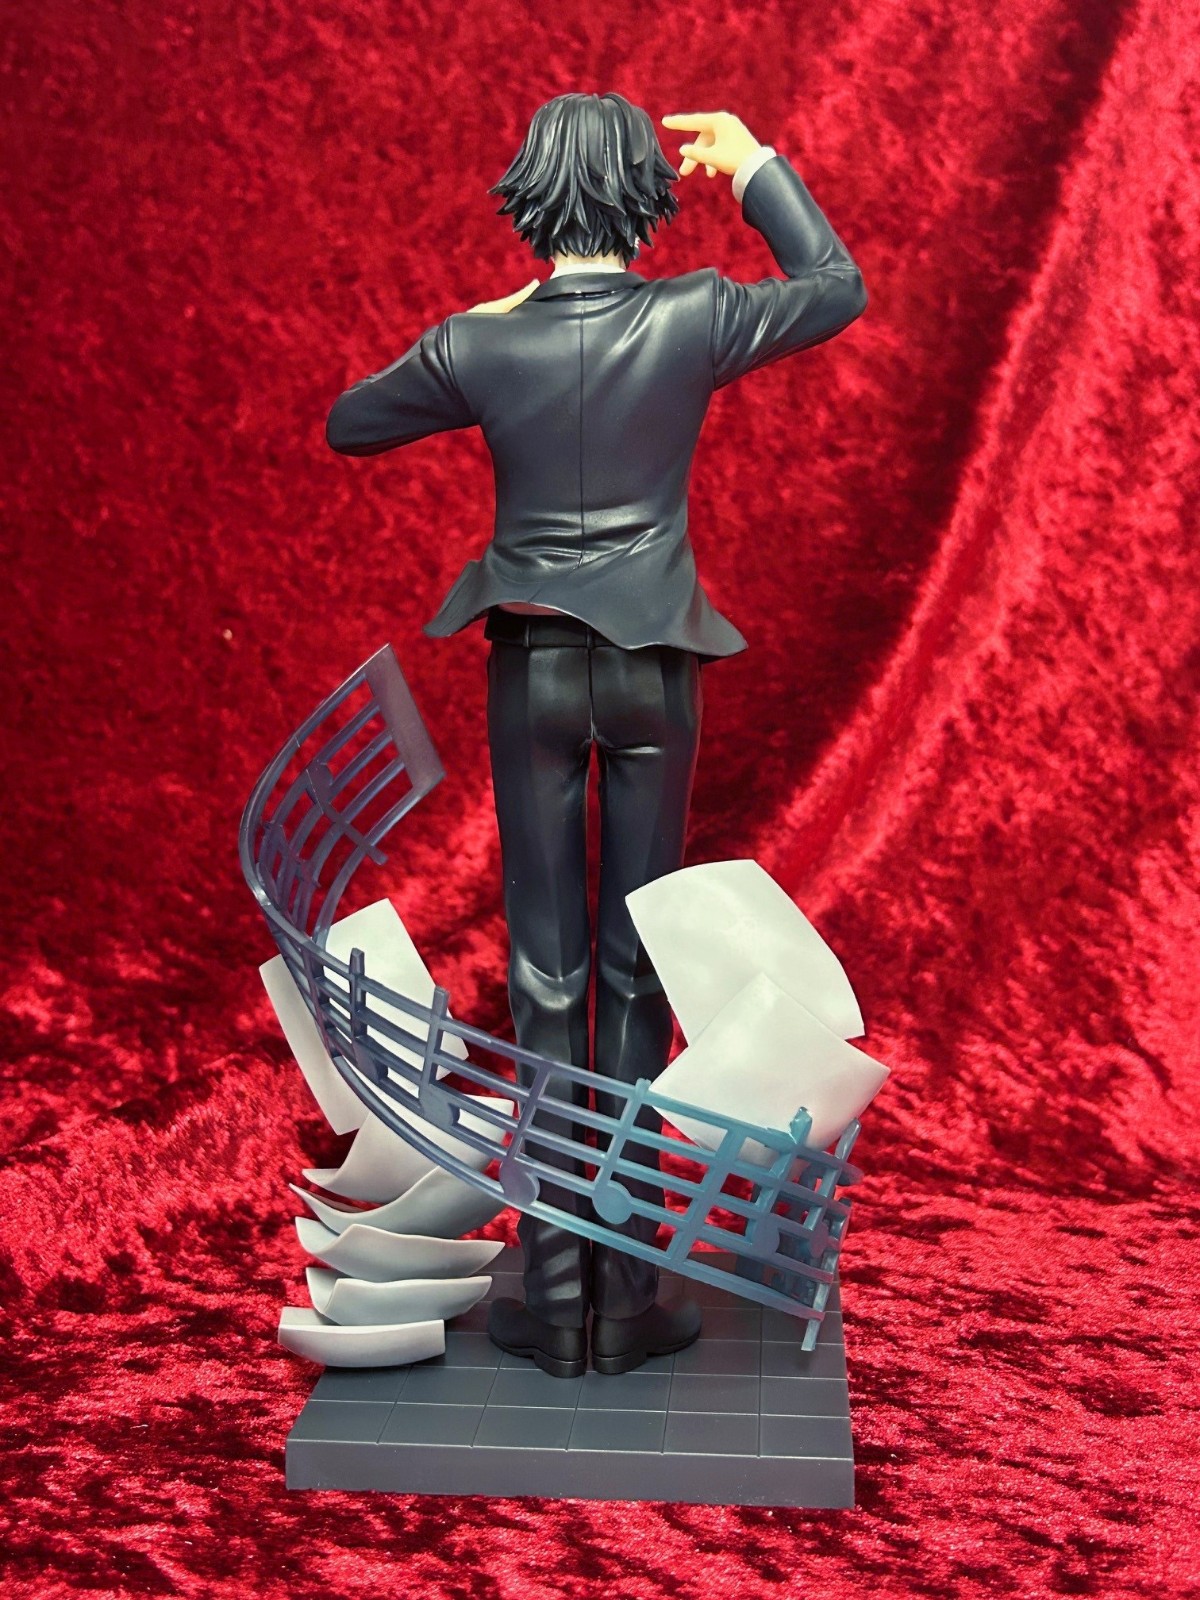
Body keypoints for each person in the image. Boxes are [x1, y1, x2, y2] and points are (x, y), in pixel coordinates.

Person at [326, 95, 867, 1378]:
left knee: (548, 969)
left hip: (532, 671)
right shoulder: (693, 315)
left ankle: (557, 1284)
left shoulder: (482, 339)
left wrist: (488, 327)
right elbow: (835, 288)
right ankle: (622, 1286)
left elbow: (353, 420)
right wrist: (756, 167)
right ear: (644, 197)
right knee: (635, 965)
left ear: (529, 198)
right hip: (654, 671)